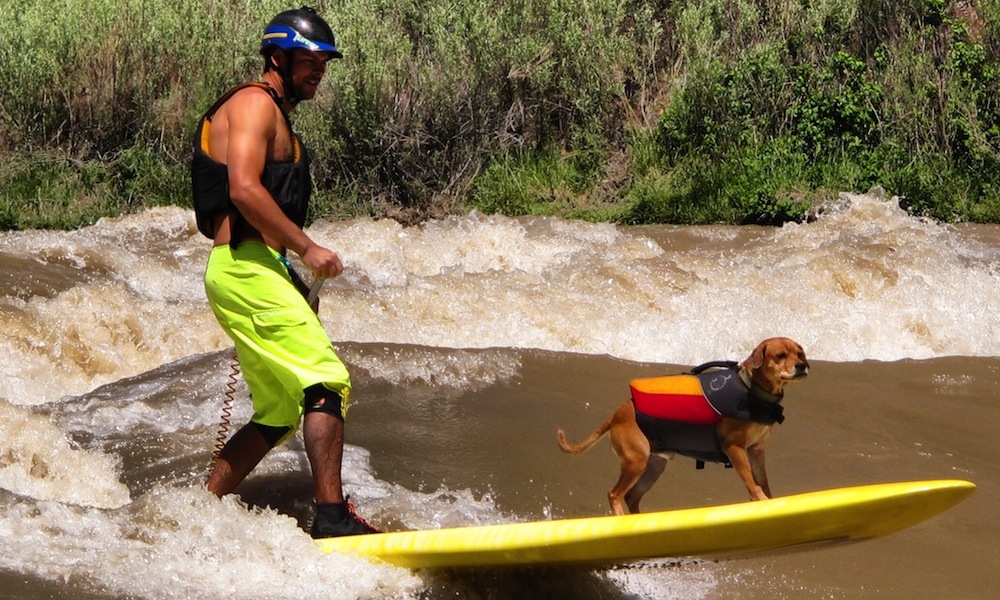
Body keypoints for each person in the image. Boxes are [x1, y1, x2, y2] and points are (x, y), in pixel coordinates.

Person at [191, 6, 378, 538]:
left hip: (257, 268)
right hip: (244, 269)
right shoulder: (253, 103)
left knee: (277, 410)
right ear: (278, 57)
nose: (319, 70)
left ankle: (203, 508)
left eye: (325, 62)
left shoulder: (276, 113)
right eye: (309, 60)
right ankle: (332, 519)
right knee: (326, 379)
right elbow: (244, 189)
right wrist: (306, 247)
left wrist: (290, 276)